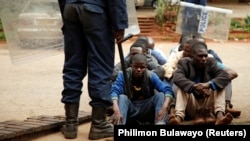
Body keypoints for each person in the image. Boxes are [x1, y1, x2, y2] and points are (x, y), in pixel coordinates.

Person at [58, 0, 128, 140]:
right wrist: (119, 25)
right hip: (95, 11)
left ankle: (70, 124)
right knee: (100, 67)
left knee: (73, 66)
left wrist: (66, 15)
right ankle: (98, 124)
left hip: (70, 8)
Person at [168, 41, 233, 125]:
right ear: (192, 56)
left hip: (209, 105)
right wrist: (195, 86)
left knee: (220, 84)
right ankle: (178, 118)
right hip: (191, 105)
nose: (204, 59)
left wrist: (208, 84)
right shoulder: (184, 62)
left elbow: (225, 76)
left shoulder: (211, 62)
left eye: (205, 56)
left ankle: (220, 117)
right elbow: (177, 77)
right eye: (200, 56)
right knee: (181, 87)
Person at [110, 54, 174, 125]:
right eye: (136, 67)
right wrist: (116, 110)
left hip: (147, 109)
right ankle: (120, 123)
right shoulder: (123, 75)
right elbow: (114, 91)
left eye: (142, 67)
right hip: (130, 109)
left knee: (160, 95)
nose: (139, 70)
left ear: (146, 67)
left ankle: (160, 122)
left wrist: (164, 107)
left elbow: (167, 89)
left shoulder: (151, 75)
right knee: (122, 97)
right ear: (131, 66)